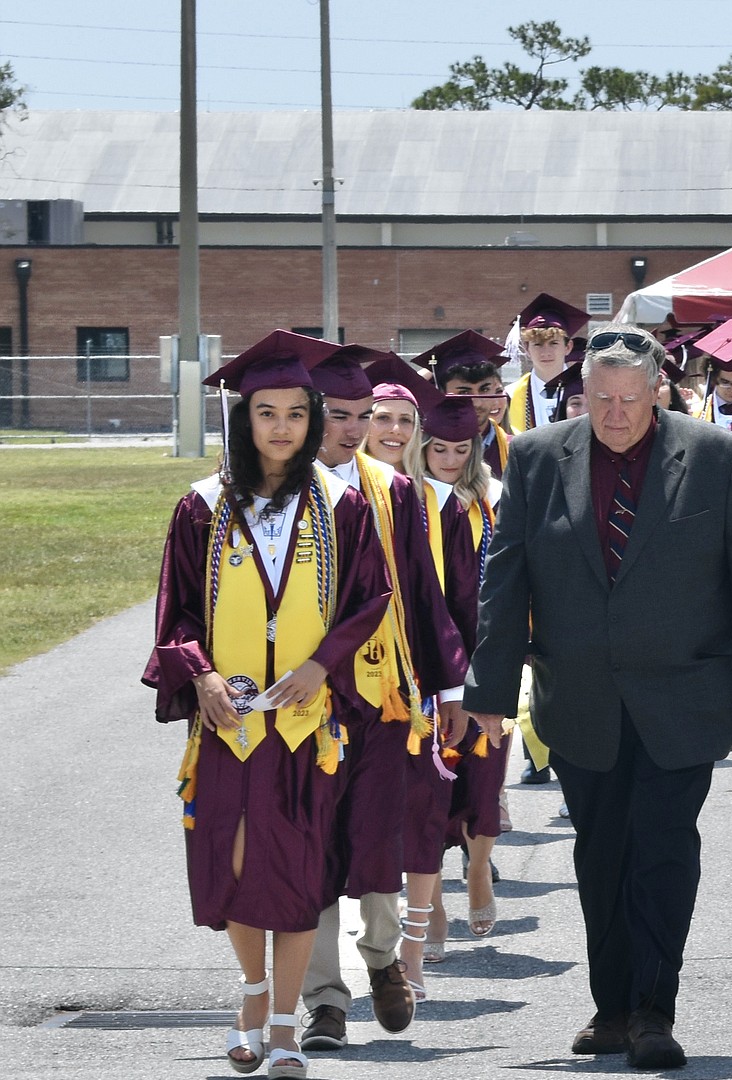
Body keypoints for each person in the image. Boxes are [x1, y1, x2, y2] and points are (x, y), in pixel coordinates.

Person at [461, 325, 732, 1070]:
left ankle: (653, 1010)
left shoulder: (719, 457)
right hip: (578, 698)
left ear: (657, 391)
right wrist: (488, 686)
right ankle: (610, 1008)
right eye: (600, 399)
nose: (614, 414)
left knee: (663, 852)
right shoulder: (538, 457)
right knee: (600, 854)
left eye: (629, 399)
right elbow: (504, 578)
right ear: (582, 394)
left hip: (685, 697)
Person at [145, 331, 395, 1080]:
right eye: (265, 412)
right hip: (228, 724)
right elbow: (178, 609)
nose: (281, 426)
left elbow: (371, 596)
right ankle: (252, 996)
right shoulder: (202, 507)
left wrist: (323, 665)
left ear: (313, 416)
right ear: (242, 419)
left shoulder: (341, 504)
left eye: (294, 411)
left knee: (296, 868)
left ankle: (284, 1025)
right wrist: (201, 677)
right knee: (232, 865)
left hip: (302, 723)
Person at [297, 346, 468, 1049]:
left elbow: (425, 596)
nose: (350, 427)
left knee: (375, 840)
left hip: (380, 695)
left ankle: (382, 959)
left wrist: (451, 681)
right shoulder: (279, 489)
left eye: (360, 416)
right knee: (307, 847)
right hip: (300, 700)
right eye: (337, 415)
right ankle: (323, 1002)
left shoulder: (394, 492)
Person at [398, 390, 506, 980]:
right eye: (438, 448)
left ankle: (481, 863)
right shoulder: (400, 500)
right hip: (421, 662)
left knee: (486, 770)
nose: (448, 458)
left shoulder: (492, 498)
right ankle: (432, 904)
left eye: (460, 449)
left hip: (486, 657)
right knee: (426, 784)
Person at [422, 330, 513, 477]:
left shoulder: (514, 449)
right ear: (441, 392)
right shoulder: (422, 450)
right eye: (464, 392)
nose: (476, 402)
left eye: (484, 389)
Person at [505, 293, 591, 434]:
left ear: (568, 347)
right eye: (538, 344)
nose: (546, 352)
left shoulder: (587, 390)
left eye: (553, 343)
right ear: (527, 349)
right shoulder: (511, 396)